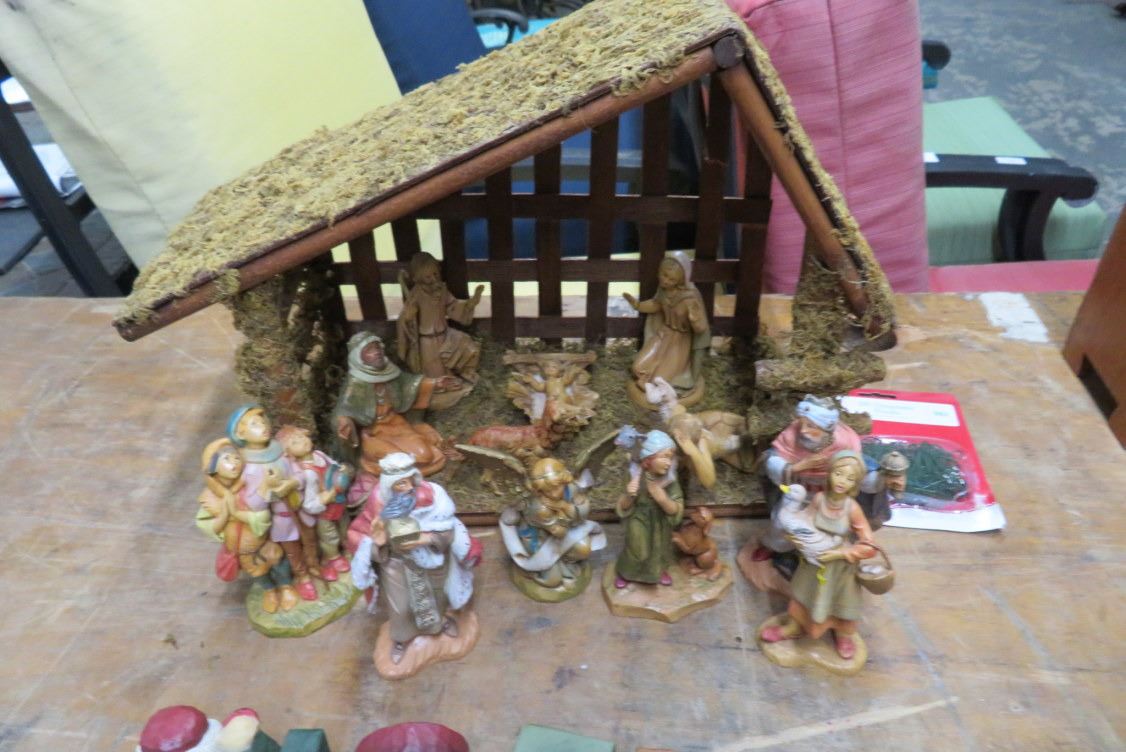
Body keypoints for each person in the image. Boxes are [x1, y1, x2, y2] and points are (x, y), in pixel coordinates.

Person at [347, 453, 481, 665]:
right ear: (390, 484)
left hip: (430, 559)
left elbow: (447, 531)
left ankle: (438, 625)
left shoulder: (432, 497)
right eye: (401, 483)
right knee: (401, 606)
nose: (408, 487)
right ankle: (402, 638)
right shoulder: (378, 502)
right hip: (396, 563)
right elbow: (363, 537)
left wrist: (425, 539)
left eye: (410, 480)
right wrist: (379, 542)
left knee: (435, 598)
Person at [760, 450, 877, 660]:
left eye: (850, 478)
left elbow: (869, 545)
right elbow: (804, 521)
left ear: (856, 483)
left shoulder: (852, 508)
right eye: (838, 474)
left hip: (840, 567)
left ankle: (843, 633)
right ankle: (794, 626)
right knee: (803, 596)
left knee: (842, 602)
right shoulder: (819, 499)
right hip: (813, 563)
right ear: (830, 473)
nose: (842, 481)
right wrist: (796, 538)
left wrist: (842, 553)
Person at [754, 395, 863, 576]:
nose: (803, 430)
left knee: (827, 529)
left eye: (811, 426)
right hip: (798, 489)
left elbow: (854, 467)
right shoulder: (791, 435)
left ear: (827, 428)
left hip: (830, 493)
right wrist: (799, 466)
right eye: (802, 423)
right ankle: (776, 548)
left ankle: (819, 558)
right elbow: (771, 460)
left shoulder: (844, 442)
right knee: (782, 521)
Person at [228, 405, 320, 605]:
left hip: (300, 508)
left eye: (263, 422)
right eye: (254, 425)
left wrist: (292, 483)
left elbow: (298, 472)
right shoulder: (250, 467)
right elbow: (254, 503)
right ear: (240, 434)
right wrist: (266, 487)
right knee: (292, 551)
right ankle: (302, 577)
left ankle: (315, 566)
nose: (262, 427)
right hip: (281, 519)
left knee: (311, 540)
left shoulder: (279, 451)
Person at [334, 332, 461, 477]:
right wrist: (344, 421)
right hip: (374, 432)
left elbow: (411, 384)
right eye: (369, 350)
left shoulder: (390, 371)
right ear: (358, 358)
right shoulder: (355, 384)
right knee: (401, 459)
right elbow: (343, 410)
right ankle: (381, 466)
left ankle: (409, 468)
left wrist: (435, 383)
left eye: (377, 347)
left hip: (397, 424)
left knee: (425, 456)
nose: (376, 352)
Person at [195, 438, 290, 612]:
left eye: (236, 457)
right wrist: (225, 514)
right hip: (240, 548)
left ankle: (286, 586)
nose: (234, 462)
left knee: (278, 559)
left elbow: (264, 514)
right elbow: (206, 524)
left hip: (264, 539)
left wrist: (238, 514)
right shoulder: (210, 497)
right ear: (213, 469)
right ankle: (270, 591)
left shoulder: (250, 483)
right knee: (255, 570)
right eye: (227, 459)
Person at [498, 457, 607, 595]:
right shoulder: (539, 508)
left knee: (584, 549)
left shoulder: (571, 488)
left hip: (565, 531)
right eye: (547, 491)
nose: (554, 494)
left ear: (564, 481)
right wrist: (568, 513)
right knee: (552, 581)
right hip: (538, 539)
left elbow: (583, 511)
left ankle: (565, 563)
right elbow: (560, 532)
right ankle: (535, 571)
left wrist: (563, 506)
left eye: (557, 488)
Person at [622, 253, 710, 402]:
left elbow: (701, 329)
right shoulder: (663, 291)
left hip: (680, 342)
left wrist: (695, 320)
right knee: (638, 368)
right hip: (663, 335)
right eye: (664, 275)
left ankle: (662, 386)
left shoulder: (691, 297)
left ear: (681, 280)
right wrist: (637, 305)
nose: (666, 281)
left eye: (671, 279)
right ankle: (649, 385)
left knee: (659, 378)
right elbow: (655, 304)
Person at [278, 424, 354, 582]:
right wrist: (328, 496)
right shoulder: (307, 473)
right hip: (324, 512)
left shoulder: (319, 454)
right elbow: (309, 504)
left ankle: (348, 548)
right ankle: (333, 557)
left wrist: (341, 470)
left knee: (345, 527)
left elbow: (332, 465)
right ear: (288, 453)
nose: (302, 441)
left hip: (339, 502)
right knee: (329, 537)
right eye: (295, 442)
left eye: (301, 436)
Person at [396, 251, 483, 382]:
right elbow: (405, 321)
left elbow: (453, 307)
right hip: (428, 343)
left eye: (435, 274)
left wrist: (469, 305)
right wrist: (409, 316)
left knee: (470, 348)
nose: (433, 279)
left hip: (446, 336)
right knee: (439, 378)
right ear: (418, 279)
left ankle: (465, 373)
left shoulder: (442, 290)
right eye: (428, 277)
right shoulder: (416, 295)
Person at [614, 430, 685, 588]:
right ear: (648, 458)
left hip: (660, 521)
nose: (668, 462)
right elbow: (622, 506)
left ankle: (658, 571)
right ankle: (626, 572)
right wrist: (629, 495)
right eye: (664, 457)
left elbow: (677, 508)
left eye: (670, 458)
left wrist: (662, 499)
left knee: (659, 548)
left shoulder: (670, 480)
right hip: (638, 518)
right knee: (637, 549)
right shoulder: (634, 475)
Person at [858, 450, 910, 530]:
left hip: (874, 498)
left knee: (877, 520)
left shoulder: (888, 483)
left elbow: (894, 494)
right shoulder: (870, 479)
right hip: (861, 497)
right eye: (892, 477)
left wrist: (897, 489)